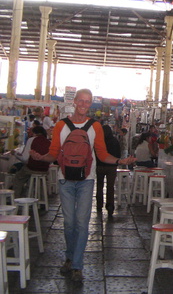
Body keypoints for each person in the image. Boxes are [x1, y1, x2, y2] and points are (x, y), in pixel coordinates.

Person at [30, 88, 136, 282]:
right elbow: (54, 152)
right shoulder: (61, 125)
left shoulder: (95, 127)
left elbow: (102, 154)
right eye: (82, 101)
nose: (84, 105)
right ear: (75, 102)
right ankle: (70, 257)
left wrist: (120, 161)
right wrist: (42, 157)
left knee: (82, 222)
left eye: (88, 102)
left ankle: (77, 265)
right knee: (69, 223)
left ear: (90, 104)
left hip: (87, 180)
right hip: (65, 179)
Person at [11, 126, 51, 197]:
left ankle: (15, 199)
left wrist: (15, 153)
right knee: (36, 179)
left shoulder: (31, 140)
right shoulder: (48, 142)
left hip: (32, 168)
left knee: (18, 178)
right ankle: (41, 198)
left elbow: (25, 158)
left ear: (34, 133)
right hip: (44, 169)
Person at [96, 125, 121, 215]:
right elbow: (118, 154)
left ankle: (99, 205)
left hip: (99, 166)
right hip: (111, 167)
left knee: (99, 186)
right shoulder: (115, 141)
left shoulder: (99, 141)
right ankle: (110, 205)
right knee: (110, 187)